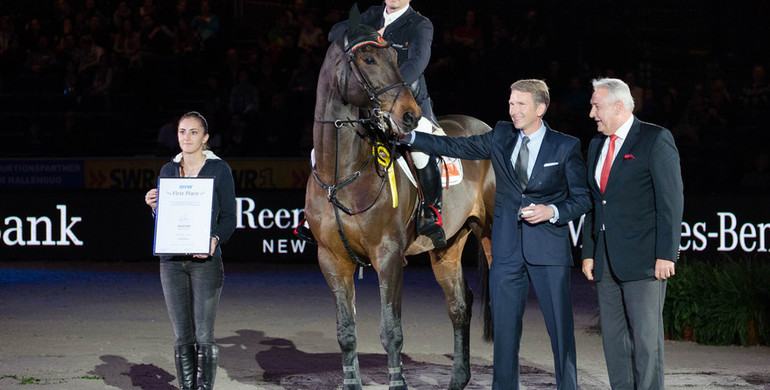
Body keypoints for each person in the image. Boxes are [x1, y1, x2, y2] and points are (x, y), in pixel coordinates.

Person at [401, 79, 591, 390]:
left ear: (540, 109)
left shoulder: (565, 146)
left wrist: (552, 212)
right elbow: (455, 146)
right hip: (506, 252)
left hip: (548, 249)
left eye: (520, 105)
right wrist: (412, 138)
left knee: (560, 331)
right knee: (504, 334)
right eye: (511, 103)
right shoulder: (502, 134)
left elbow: (582, 198)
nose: (513, 110)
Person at [581, 78, 684, 390]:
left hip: (644, 260)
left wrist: (666, 253)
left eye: (596, 106)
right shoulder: (597, 145)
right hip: (605, 260)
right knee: (614, 342)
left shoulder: (655, 139)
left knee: (646, 341)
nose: (591, 113)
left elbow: (671, 201)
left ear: (618, 106)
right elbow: (594, 202)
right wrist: (588, 251)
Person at [323, 0, 446, 247]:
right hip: (368, 104)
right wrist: (364, 32)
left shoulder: (420, 24)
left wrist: (389, 93)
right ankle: (318, 213)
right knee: (327, 145)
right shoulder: (372, 14)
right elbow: (334, 32)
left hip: (403, 103)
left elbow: (417, 64)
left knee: (419, 149)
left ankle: (432, 212)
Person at [144, 111, 236, 390]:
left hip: (206, 262)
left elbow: (230, 217)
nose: (187, 137)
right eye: (182, 131)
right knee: (183, 335)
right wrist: (155, 208)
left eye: (194, 132)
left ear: (205, 137)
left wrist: (215, 239)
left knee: (204, 335)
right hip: (172, 262)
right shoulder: (168, 170)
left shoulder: (219, 170)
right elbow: (166, 221)